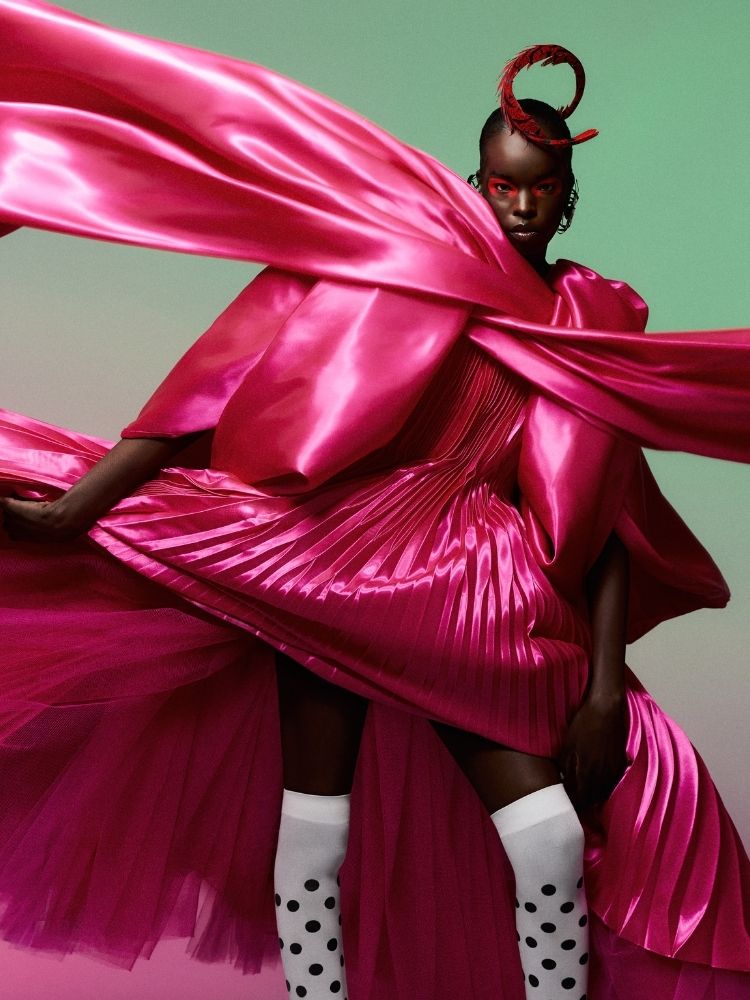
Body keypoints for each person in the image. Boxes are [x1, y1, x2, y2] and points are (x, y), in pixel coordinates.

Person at [0, 9, 749, 1000]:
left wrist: (604, 687)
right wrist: (78, 509)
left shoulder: (593, 317)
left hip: (483, 589)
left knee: (551, 841)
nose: (522, 205)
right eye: (504, 184)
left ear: (569, 196)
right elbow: (220, 382)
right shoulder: (408, 260)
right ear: (478, 182)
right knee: (315, 824)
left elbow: (614, 512)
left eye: (542, 187)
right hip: (338, 558)